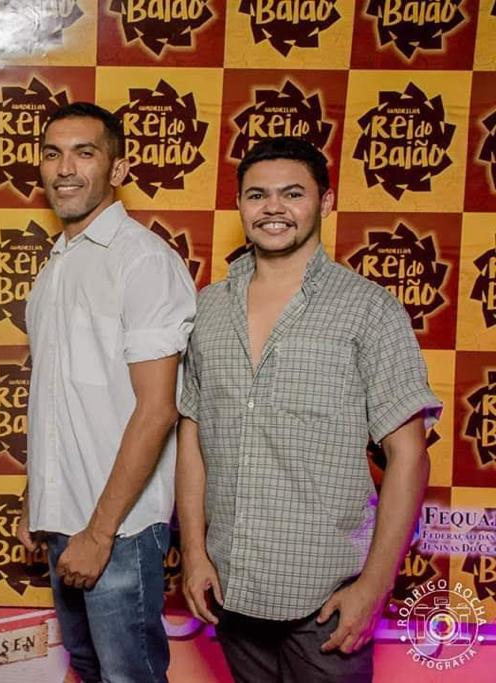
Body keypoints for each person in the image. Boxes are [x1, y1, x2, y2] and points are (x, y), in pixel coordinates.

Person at [176, 136, 441, 682]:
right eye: (257, 195)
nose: (273, 207)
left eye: (292, 194)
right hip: (231, 589)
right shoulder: (209, 308)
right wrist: (195, 554)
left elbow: (410, 456)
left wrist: (375, 586)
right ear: (240, 205)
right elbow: (193, 439)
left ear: (325, 202)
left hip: (326, 602)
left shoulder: (369, 310)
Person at [15, 102, 196, 683]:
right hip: (65, 518)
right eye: (53, 154)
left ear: (117, 169)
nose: (65, 168)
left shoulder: (142, 261)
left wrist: (99, 534)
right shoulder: (56, 265)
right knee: (90, 668)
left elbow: (158, 409)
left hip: (119, 529)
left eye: (84, 153)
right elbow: (59, 396)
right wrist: (38, 499)